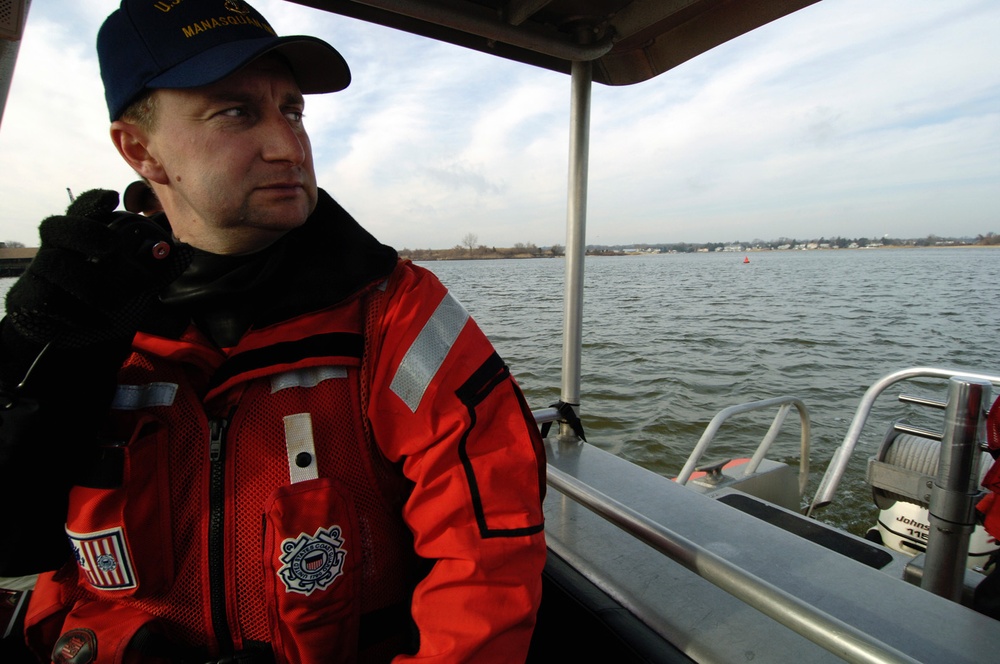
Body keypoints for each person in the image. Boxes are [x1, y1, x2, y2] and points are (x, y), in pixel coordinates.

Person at [0, 1, 546, 662]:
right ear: (141, 150)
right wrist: (26, 368)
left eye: (293, 111)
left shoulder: (397, 313)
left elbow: (486, 557)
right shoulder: (81, 321)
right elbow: (11, 545)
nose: (289, 147)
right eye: (236, 112)